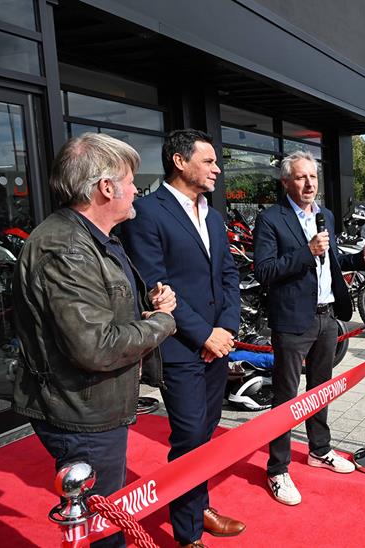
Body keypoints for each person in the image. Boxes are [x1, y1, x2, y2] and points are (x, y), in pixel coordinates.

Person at [12, 133, 177, 548]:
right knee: (105, 530)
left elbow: (101, 316)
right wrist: (163, 322)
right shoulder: (67, 247)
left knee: (105, 519)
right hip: (81, 412)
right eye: (130, 179)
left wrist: (146, 308)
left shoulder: (90, 237)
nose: (137, 189)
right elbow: (96, 346)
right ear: (106, 188)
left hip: (91, 405)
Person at [121, 129, 244, 546]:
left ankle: (198, 504)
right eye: (208, 161)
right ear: (179, 161)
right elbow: (157, 285)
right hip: (180, 348)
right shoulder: (147, 213)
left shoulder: (212, 213)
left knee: (206, 436)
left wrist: (225, 329)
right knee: (190, 439)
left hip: (217, 344)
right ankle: (188, 534)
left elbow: (228, 274)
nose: (217, 169)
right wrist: (204, 334)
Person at [253, 150, 365, 506]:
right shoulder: (270, 219)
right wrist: (306, 252)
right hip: (294, 320)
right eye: (301, 177)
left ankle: (319, 449)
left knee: (321, 389)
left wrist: (361, 260)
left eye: (313, 177)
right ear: (285, 182)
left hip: (328, 316)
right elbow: (263, 271)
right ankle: (277, 469)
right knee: (286, 396)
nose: (310, 184)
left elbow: (334, 260)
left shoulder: (324, 215)